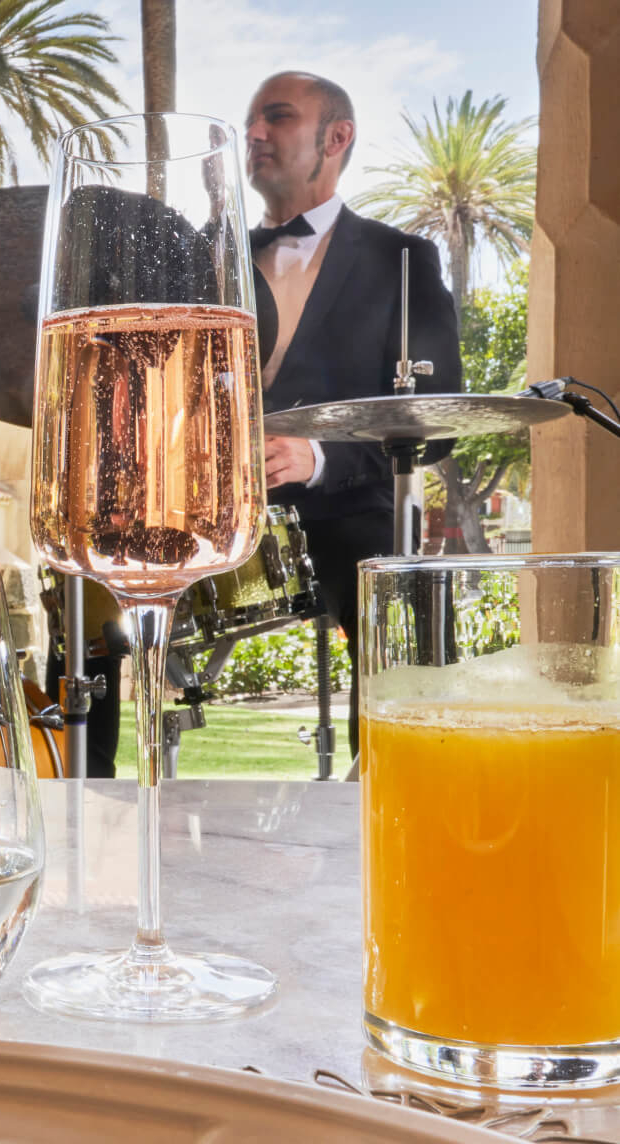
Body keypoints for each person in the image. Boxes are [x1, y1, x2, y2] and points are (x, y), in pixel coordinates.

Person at [244, 71, 462, 751]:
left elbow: (435, 418)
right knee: (86, 610)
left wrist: (316, 457)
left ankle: (395, 794)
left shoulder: (403, 259)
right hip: (216, 512)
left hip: (344, 513)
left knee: (409, 612)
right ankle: (84, 792)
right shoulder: (208, 259)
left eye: (276, 117)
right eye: (251, 121)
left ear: (335, 137)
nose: (253, 134)